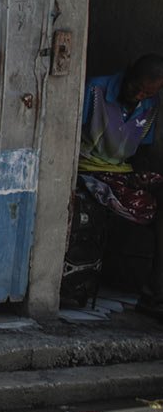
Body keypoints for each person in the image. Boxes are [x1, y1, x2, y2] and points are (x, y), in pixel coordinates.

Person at [77, 54, 163, 318]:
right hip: (88, 169)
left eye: (146, 92)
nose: (138, 95)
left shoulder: (150, 104)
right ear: (128, 72)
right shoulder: (95, 90)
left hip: (121, 171)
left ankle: (153, 293)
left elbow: (141, 150)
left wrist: (143, 177)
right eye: (135, 87)